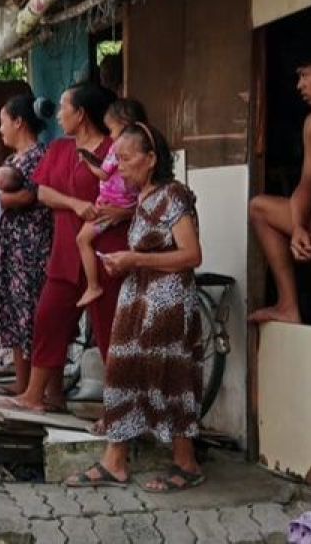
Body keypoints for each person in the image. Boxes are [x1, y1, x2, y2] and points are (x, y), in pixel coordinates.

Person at [66, 122, 207, 493]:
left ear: (151, 159)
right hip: (138, 298)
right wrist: (125, 262)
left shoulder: (173, 196)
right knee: (123, 372)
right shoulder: (141, 198)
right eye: (117, 159)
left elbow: (192, 255)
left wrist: (134, 260)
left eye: (126, 159)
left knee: (168, 377)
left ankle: (186, 463)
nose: (120, 167)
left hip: (167, 302)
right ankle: (115, 462)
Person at [6, 83, 132, 415]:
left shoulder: (114, 148)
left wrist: (121, 212)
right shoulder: (60, 149)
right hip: (64, 253)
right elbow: (43, 192)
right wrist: (75, 204)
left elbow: (135, 193)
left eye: (64, 107)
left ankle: (121, 410)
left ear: (81, 113)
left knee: (109, 332)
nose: (59, 114)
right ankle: (40, 395)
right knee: (48, 319)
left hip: (106, 252)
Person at [248, 50, 311, 324]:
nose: (300, 85)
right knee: (260, 208)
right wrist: (298, 226)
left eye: (304, 74)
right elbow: (307, 186)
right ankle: (288, 306)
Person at [0, 94, 54, 397]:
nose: (0, 129)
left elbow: (30, 196)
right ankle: (22, 382)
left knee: (29, 312)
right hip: (10, 248)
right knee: (14, 312)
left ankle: (36, 387)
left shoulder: (38, 155)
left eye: (3, 122)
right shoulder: (13, 160)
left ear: (19, 122)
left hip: (30, 248)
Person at [75, 98, 148, 309]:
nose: (110, 135)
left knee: (82, 239)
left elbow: (104, 173)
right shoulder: (139, 147)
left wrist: (87, 160)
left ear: (125, 125)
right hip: (125, 204)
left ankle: (93, 285)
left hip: (109, 206)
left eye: (112, 129)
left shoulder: (118, 147)